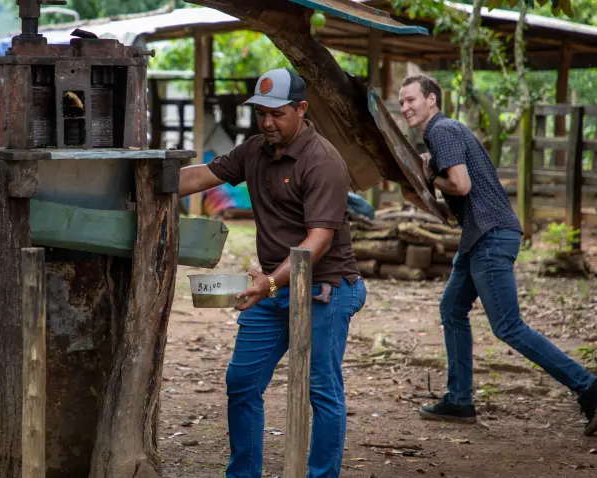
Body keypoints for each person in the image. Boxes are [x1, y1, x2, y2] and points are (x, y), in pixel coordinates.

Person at [180, 68, 366, 478]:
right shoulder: (254, 150)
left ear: (301, 109)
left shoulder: (323, 162)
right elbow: (203, 176)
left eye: (277, 113)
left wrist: (269, 282)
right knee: (242, 382)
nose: (267, 122)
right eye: (261, 113)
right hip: (274, 288)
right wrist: (144, 182)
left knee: (322, 391)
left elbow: (317, 240)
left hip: (327, 289)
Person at [398, 74, 597, 436]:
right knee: (452, 308)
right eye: (401, 102)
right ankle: (459, 400)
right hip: (479, 238)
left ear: (432, 100)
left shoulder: (442, 130)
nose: (405, 107)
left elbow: (460, 184)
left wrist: (429, 178)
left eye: (411, 99)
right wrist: (420, 184)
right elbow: (447, 205)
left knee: (508, 326)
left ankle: (590, 388)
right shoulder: (440, 135)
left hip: (490, 236)